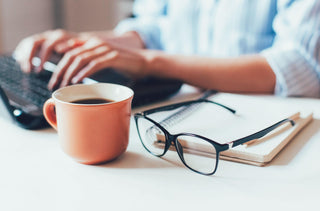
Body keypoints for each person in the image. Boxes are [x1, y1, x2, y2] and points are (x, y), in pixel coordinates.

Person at [14, 0, 320, 97]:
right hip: (179, 112)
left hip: (262, 128)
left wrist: (151, 62)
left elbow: (298, 67)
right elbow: (156, 28)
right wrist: (83, 44)